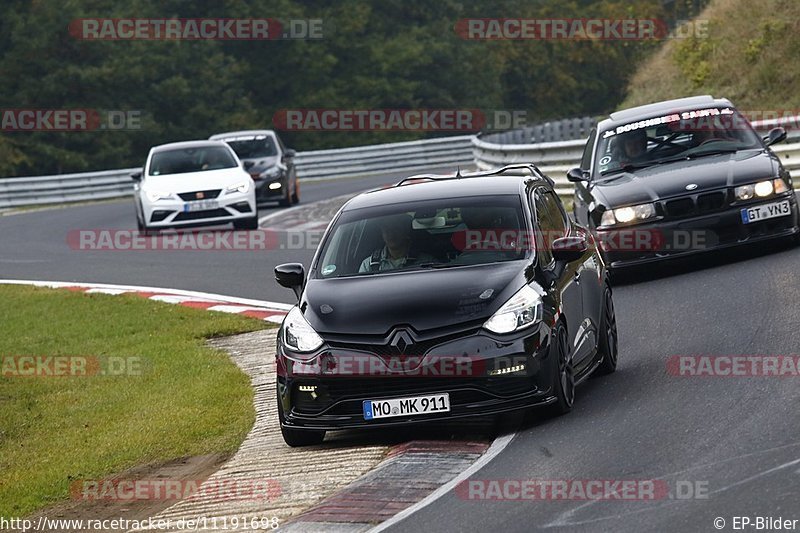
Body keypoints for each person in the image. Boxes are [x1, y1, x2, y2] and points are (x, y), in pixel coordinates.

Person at [358, 213, 433, 272]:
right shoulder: (368, 265)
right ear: (382, 234)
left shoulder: (427, 262)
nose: (391, 234)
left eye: (395, 229)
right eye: (386, 229)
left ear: (405, 231)